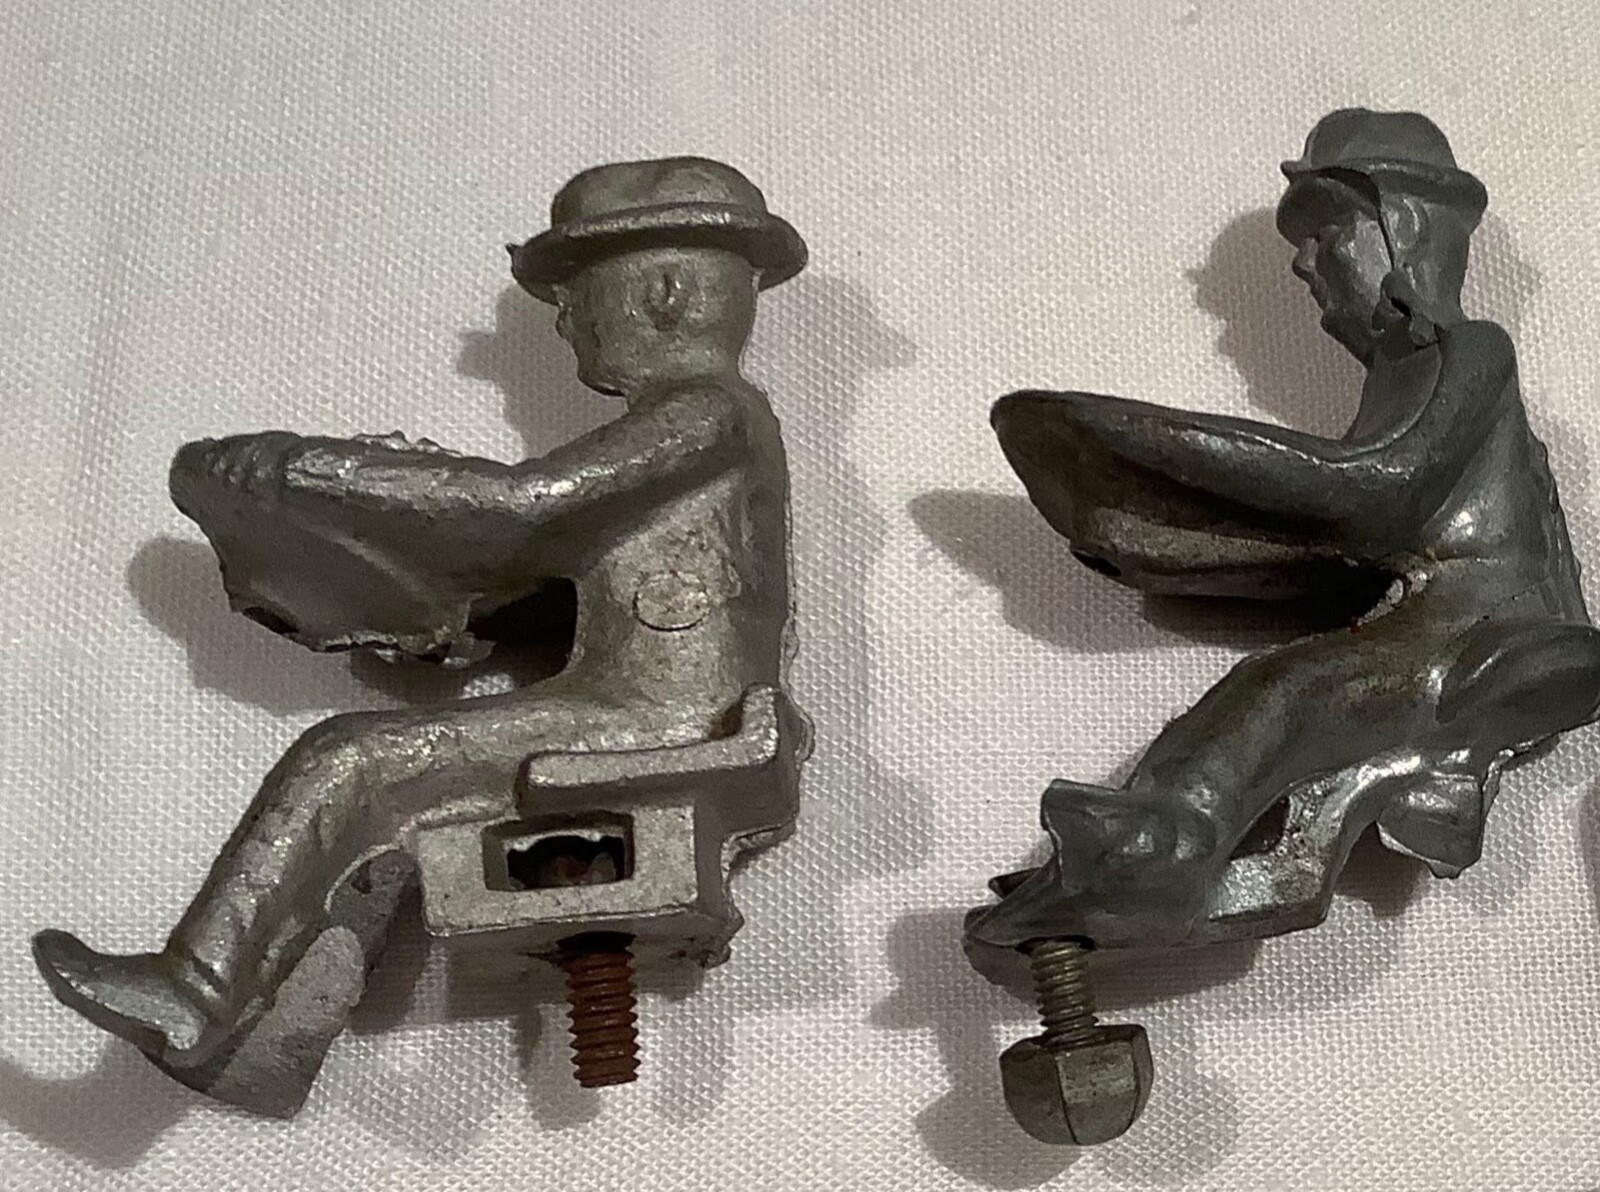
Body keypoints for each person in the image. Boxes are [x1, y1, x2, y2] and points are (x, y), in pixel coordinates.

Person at [34, 158, 809, 1080]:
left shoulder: (703, 412)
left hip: (666, 719)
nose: (563, 321)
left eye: (575, 295)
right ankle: (249, 1041)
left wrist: (325, 477)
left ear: (665, 292)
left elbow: (524, 510)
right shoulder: (710, 421)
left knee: (347, 761)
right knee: (361, 767)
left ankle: (198, 997)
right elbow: (542, 562)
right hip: (649, 703)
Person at [970, 110, 1600, 953]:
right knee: (1280, 685)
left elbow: (1380, 493)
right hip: (1442, 615)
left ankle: (1165, 850)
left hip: (1488, 632)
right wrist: (1168, 549)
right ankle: (1170, 843)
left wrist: (1179, 463)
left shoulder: (1471, 352)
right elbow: (1358, 544)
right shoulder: (1404, 376)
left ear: (1403, 229)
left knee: (1285, 690)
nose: (1307, 264)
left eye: (1326, 233)